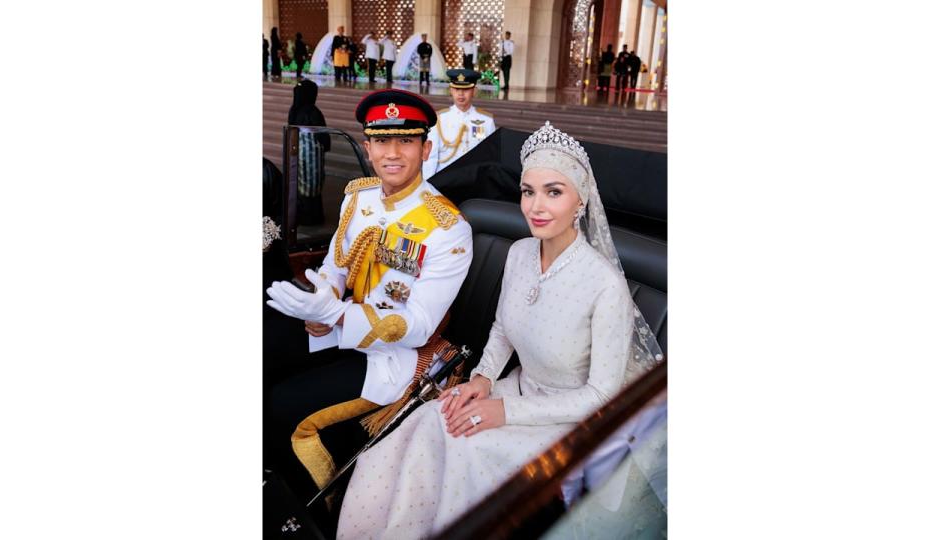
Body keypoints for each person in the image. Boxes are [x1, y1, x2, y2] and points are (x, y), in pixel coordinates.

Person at [337, 121, 664, 539]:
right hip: (515, 389)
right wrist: (482, 379)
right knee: (426, 423)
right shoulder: (520, 252)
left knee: (468, 447)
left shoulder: (605, 286)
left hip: (569, 422)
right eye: (528, 191)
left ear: (581, 201)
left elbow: (600, 397)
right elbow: (503, 329)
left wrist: (504, 411)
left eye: (554, 192)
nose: (536, 206)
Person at [265, 89, 474, 504]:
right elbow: (335, 266)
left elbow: (417, 327)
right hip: (339, 326)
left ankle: (313, 510)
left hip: (394, 356)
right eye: (381, 140)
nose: (392, 153)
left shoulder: (448, 227)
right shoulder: (357, 197)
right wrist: (320, 303)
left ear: (426, 147)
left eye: (406, 140)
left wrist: (337, 314)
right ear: (367, 146)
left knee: (282, 406)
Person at [422, 69, 496, 179]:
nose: (460, 94)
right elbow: (431, 156)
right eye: (457, 89)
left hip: (474, 179)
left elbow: (490, 157)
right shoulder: (440, 119)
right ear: (451, 90)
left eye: (466, 90)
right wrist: (428, 184)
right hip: (445, 179)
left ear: (474, 91)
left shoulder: (486, 120)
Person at [287, 79, 331, 226]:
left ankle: (302, 216)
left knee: (301, 184)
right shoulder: (312, 111)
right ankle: (313, 217)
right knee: (312, 186)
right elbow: (323, 135)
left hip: (298, 154)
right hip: (312, 155)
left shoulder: (295, 110)